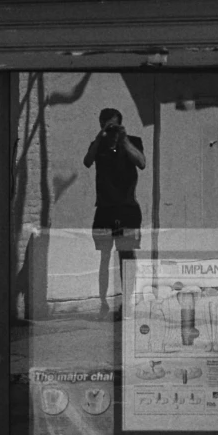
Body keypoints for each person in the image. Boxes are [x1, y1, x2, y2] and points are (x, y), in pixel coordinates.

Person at [82, 106, 146, 312]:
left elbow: (142, 163)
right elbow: (87, 161)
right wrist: (100, 137)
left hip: (127, 209)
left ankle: (126, 303)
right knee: (104, 257)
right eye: (107, 126)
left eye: (114, 126)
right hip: (105, 209)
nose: (111, 130)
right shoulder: (98, 144)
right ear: (101, 126)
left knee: (126, 256)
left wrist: (124, 138)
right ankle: (103, 302)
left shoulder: (132, 141)